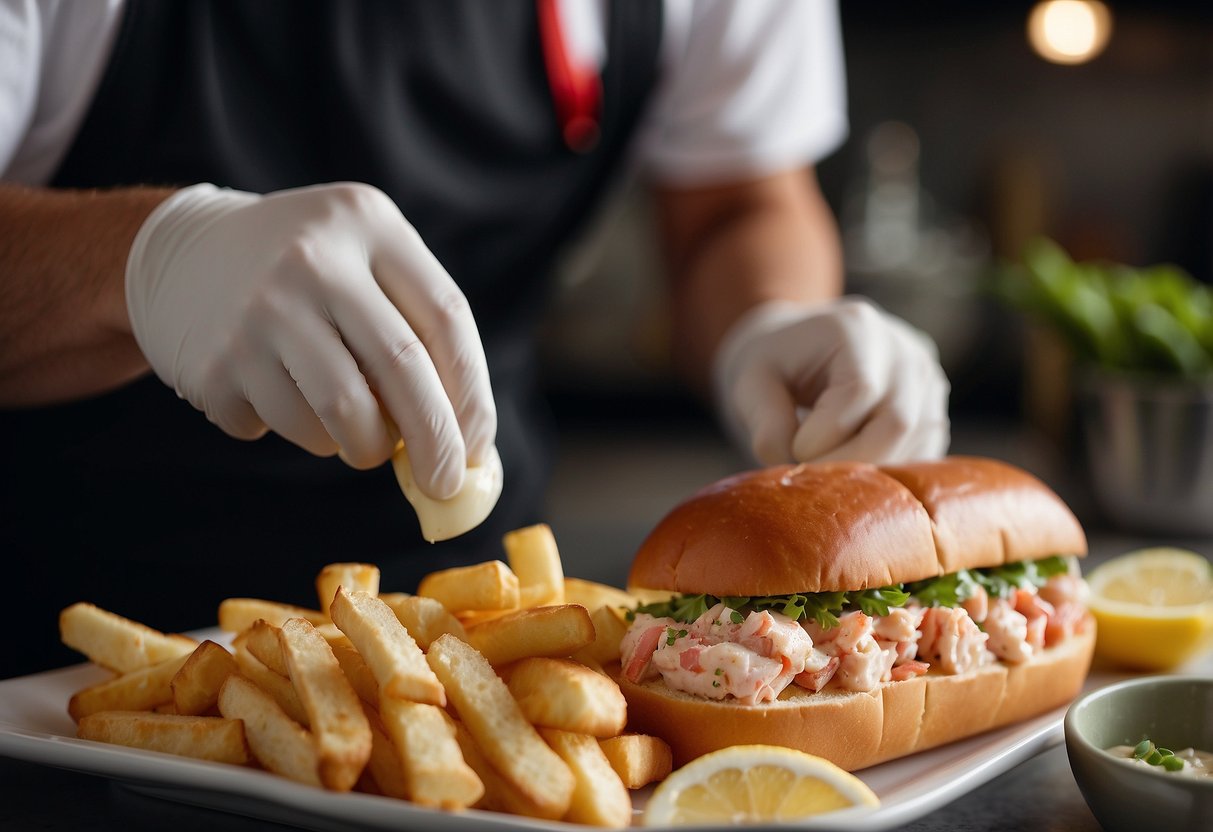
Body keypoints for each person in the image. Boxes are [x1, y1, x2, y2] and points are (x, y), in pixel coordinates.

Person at [0, 0, 949, 677]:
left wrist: (767, 321)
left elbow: (737, 202)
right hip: (51, 652)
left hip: (483, 636)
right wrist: (145, 261)